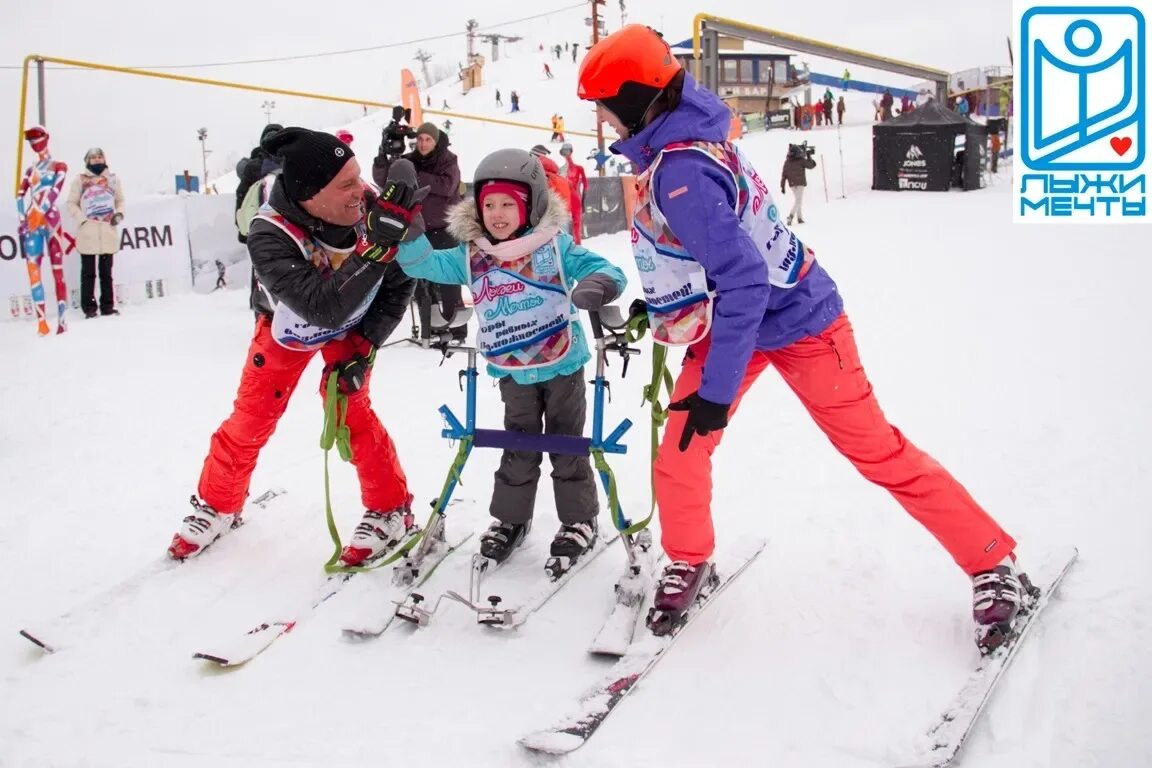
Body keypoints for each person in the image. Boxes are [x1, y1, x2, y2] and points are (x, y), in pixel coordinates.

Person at [577, 25, 1029, 650]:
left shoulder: (680, 171)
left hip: (801, 323)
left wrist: (716, 392)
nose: (600, 117)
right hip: (730, 324)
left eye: (603, 103)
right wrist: (658, 308)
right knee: (680, 452)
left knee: (878, 450)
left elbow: (744, 280)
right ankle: (689, 556)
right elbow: (704, 255)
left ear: (633, 100)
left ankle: (992, 563)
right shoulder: (683, 143)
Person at [364, 149, 627, 572]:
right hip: (512, 370)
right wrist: (409, 231)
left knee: (568, 446)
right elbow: (422, 265)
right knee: (517, 445)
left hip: (562, 365)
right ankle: (511, 518)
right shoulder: (471, 255)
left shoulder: (553, 246)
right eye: (489, 204)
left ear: (530, 206)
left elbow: (605, 268)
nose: (498, 213)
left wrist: (599, 285)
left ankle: (579, 519)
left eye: (508, 203)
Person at [169, 128, 417, 567]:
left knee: (349, 409)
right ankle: (219, 503)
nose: (360, 190)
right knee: (253, 415)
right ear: (309, 194)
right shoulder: (270, 234)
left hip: (353, 323)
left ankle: (390, 508)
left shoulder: (372, 204)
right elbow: (323, 308)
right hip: (291, 325)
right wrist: (379, 246)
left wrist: (369, 341)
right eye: (345, 184)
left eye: (358, 176)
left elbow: (399, 282)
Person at [375, 122, 467, 344]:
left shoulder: (448, 160)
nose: (424, 144)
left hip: (443, 228)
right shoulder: (408, 160)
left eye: (428, 139)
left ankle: (458, 330)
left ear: (436, 141)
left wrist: (415, 174)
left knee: (448, 279)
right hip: (417, 229)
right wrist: (382, 158)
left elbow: (447, 186)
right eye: (421, 139)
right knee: (421, 278)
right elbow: (385, 180)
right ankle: (431, 327)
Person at [16, 125, 71, 335]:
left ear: (46, 137)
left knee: (57, 270)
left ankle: (62, 319)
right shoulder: (30, 171)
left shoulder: (59, 166)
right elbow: (19, 195)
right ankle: (41, 322)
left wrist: (41, 209)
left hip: (50, 219)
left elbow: (56, 190)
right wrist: (23, 219)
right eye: (30, 139)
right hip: (33, 221)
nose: (33, 143)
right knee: (33, 271)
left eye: (37, 137)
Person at [66, 148, 125, 319]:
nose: (97, 159)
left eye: (100, 156)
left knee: (106, 272)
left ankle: (107, 306)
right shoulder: (80, 180)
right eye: (93, 157)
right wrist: (82, 220)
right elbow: (72, 203)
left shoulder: (113, 180)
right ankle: (89, 308)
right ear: (87, 161)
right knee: (88, 272)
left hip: (107, 230)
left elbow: (120, 200)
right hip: (88, 232)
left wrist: (119, 214)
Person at [234, 124, 284, 244]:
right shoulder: (292, 164)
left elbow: (241, 196)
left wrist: (242, 230)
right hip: (290, 229)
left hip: (259, 227)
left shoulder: (253, 166)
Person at [780, 142, 816, 225]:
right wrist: (809, 156)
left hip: (792, 184)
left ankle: (799, 218)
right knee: (798, 201)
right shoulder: (801, 160)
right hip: (800, 184)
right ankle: (790, 216)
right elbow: (811, 166)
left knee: (797, 200)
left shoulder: (787, 162)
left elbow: (784, 175)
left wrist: (782, 186)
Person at [558, 142, 587, 242]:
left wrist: (583, 201)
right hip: (566, 200)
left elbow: (585, 185)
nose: (567, 154)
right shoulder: (560, 170)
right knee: (565, 225)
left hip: (574, 199)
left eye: (568, 151)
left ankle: (577, 245)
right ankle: (568, 245)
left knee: (576, 224)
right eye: (564, 152)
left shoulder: (578, 169)